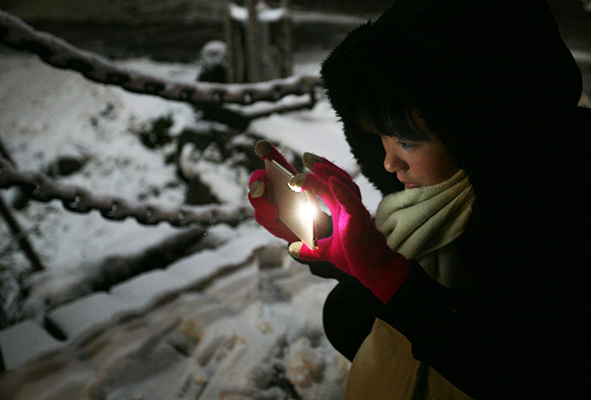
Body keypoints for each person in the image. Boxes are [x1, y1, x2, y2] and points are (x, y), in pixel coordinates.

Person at [249, 0, 591, 398]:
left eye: (407, 142)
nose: (389, 161)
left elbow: (528, 370)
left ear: (482, 126)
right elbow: (412, 285)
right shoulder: (455, 191)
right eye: (380, 138)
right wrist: (332, 237)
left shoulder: (560, 210)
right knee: (348, 309)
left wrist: (386, 273)